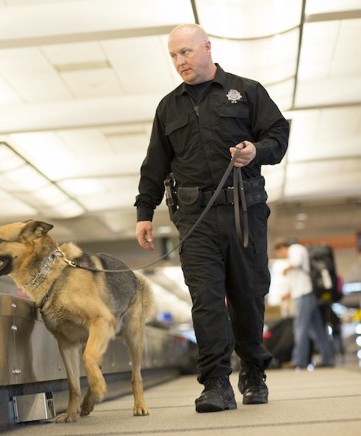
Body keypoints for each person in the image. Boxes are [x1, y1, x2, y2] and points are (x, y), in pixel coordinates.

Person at [134, 24, 289, 413]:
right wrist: (144, 211)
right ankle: (216, 383)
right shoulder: (168, 107)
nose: (180, 61)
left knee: (248, 296)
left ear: (207, 48)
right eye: (173, 56)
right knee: (205, 299)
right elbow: (155, 163)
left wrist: (257, 150)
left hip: (244, 212)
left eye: (185, 52)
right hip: (195, 218)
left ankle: (253, 371)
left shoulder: (246, 91)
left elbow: (278, 134)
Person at [273, 239, 335, 369]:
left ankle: (298, 360)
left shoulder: (295, 248)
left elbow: (296, 264)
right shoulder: (295, 252)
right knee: (317, 330)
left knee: (300, 327)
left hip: (304, 295)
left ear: (282, 247)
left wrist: (285, 270)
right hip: (305, 294)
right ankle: (328, 358)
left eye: (278, 253)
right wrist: (288, 294)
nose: (280, 255)